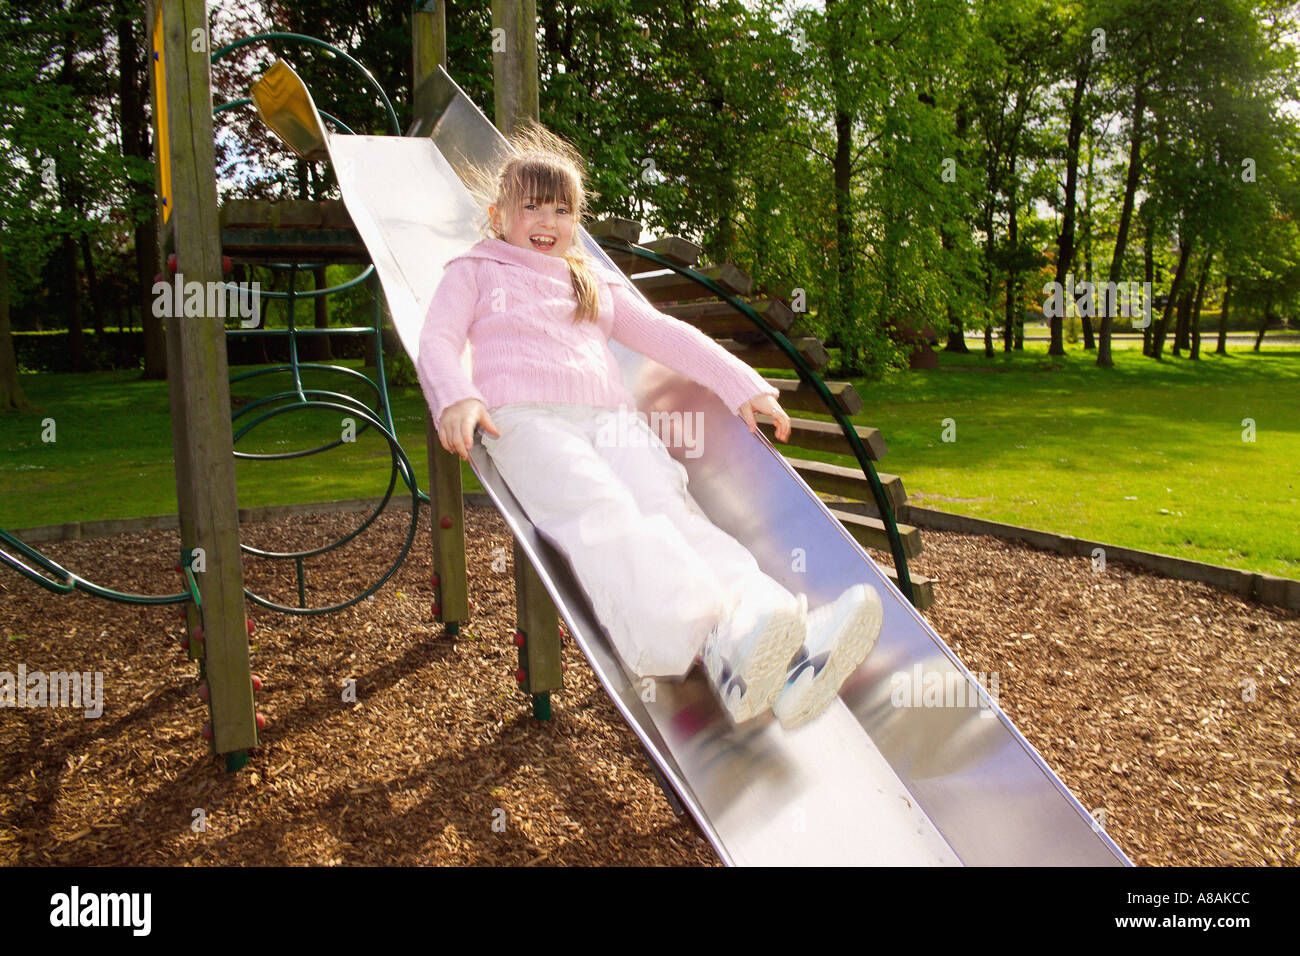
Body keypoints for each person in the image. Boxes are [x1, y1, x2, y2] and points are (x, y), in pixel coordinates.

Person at [416, 122, 882, 729]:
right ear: (498, 212)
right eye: (531, 205)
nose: (548, 220)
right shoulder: (474, 269)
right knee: (604, 513)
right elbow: (439, 339)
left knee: (673, 511)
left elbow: (665, 333)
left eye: (562, 209)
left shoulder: (590, 279)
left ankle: (783, 644)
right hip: (525, 423)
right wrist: (456, 397)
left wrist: (741, 383)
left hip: (611, 420)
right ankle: (709, 643)